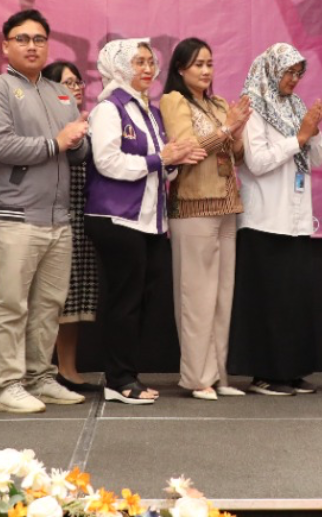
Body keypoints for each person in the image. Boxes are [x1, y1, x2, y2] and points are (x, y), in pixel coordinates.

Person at [0, 10, 92, 413]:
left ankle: (39, 377)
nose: (31, 46)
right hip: (14, 215)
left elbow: (77, 152)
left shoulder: (60, 93)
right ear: (5, 46)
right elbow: (1, 146)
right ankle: (5, 385)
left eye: (39, 39)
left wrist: (78, 140)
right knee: (10, 305)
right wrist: (58, 142)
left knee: (48, 306)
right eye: (22, 39)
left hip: (58, 217)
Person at [87, 39, 203, 404]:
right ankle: (118, 379)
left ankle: (128, 375)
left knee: (143, 300)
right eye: (138, 62)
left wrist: (174, 160)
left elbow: (159, 167)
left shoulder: (150, 111)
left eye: (151, 62)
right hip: (116, 218)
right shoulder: (108, 109)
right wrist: (160, 159)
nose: (148, 69)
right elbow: (107, 162)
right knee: (124, 301)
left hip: (149, 221)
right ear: (118, 66)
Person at [229, 43, 322, 397]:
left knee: (293, 300)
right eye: (288, 72)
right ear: (271, 70)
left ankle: (291, 369)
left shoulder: (296, 106)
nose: (294, 79)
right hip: (264, 219)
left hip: (296, 219)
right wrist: (299, 137)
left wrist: (313, 131)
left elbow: (317, 157)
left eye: (298, 73)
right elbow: (256, 162)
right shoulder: (253, 106)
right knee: (268, 301)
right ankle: (264, 374)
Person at [159, 38, 252, 400]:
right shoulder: (174, 101)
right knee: (196, 297)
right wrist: (226, 129)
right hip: (193, 205)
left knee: (222, 297)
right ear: (180, 69)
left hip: (227, 205)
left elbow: (236, 156)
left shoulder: (218, 104)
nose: (205, 70)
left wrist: (237, 131)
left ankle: (220, 375)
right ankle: (198, 377)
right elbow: (188, 149)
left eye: (209, 64)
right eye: (198, 64)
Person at [44, 60, 103, 394]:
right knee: (53, 298)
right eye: (68, 83)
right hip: (55, 217)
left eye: (79, 82)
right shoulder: (49, 125)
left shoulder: (90, 123)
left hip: (84, 216)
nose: (77, 88)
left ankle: (68, 368)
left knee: (76, 298)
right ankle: (44, 368)